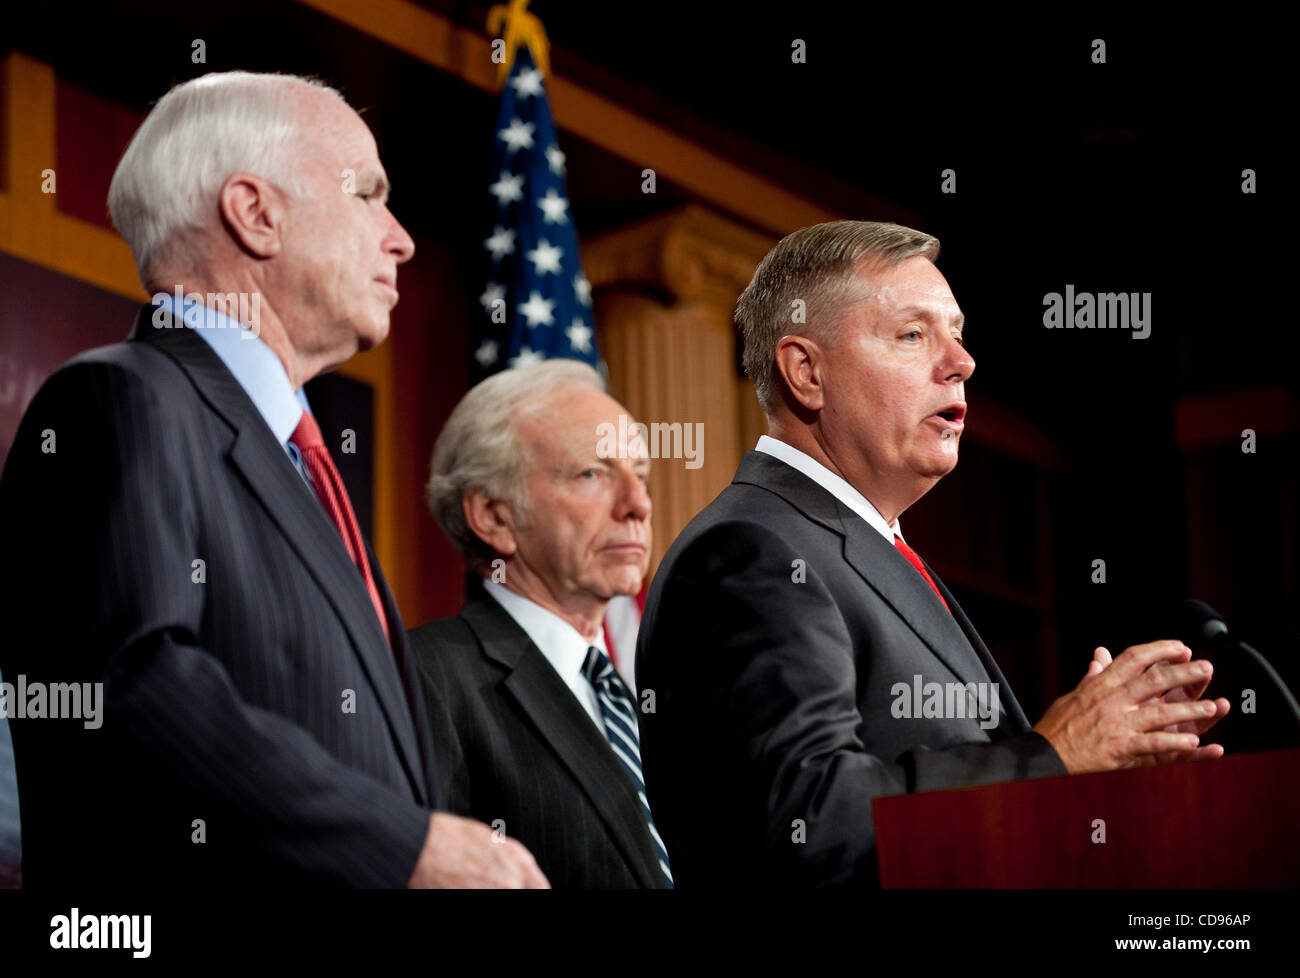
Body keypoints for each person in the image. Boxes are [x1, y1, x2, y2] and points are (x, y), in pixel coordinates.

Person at [0, 71, 546, 888]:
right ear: (256, 214)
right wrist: (410, 848)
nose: (400, 239)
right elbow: (130, 689)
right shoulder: (119, 399)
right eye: (369, 195)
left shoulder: (294, 457)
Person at [635, 220, 1230, 887]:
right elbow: (809, 821)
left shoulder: (865, 547)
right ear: (806, 372)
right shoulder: (754, 551)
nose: (962, 362)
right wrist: (1051, 757)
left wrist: (1092, 788)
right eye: (913, 335)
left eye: (957, 333)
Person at [409, 361, 672, 888]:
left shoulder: (650, 690)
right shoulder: (425, 676)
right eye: (592, 474)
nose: (638, 504)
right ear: (494, 515)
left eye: (639, 475)